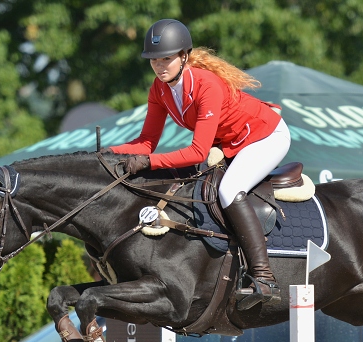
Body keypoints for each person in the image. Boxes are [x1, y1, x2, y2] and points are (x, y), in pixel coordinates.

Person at [110, 18, 291, 309]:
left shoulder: (206, 85)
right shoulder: (159, 89)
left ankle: (264, 277)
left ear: (184, 56)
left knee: (229, 189)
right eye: (154, 60)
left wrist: (146, 162)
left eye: (166, 58)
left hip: (265, 136)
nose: (159, 66)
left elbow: (197, 152)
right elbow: (146, 142)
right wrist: (106, 154)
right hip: (230, 143)